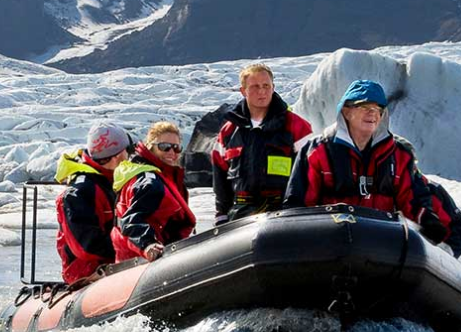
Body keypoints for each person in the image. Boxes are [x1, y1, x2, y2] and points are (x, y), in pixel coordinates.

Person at [281, 79, 453, 248]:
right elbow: (298, 204)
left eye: (377, 109)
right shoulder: (317, 151)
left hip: (382, 245)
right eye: (364, 107)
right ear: (346, 112)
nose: (372, 114)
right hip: (329, 242)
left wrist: (428, 222)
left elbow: (413, 200)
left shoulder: (400, 155)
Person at [211, 63, 313, 225]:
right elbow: (220, 177)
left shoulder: (296, 126)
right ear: (243, 91)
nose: (262, 91)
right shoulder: (229, 131)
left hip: (286, 214)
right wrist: (221, 214)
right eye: (255, 86)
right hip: (240, 215)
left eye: (266, 85)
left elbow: (313, 170)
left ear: (273, 87)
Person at [110, 121, 197, 263]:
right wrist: (148, 244)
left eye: (176, 148)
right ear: (151, 147)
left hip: (149, 259)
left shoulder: (158, 176)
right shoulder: (149, 181)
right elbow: (132, 220)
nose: (171, 152)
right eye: (164, 147)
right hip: (143, 263)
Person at [55, 122, 129, 285]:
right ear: (117, 155)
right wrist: (130, 245)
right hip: (87, 271)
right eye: (127, 151)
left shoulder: (116, 181)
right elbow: (86, 246)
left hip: (119, 262)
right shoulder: (80, 191)